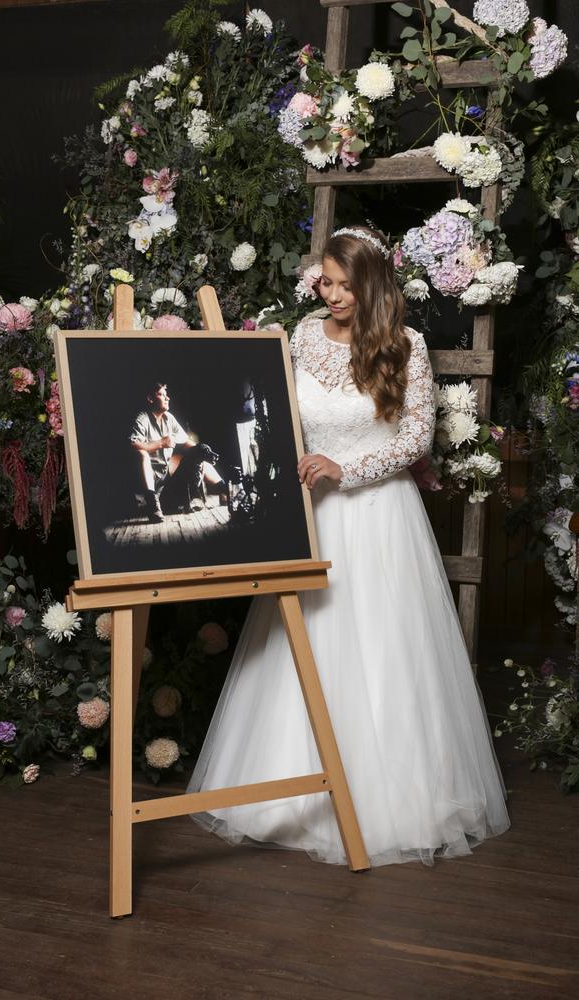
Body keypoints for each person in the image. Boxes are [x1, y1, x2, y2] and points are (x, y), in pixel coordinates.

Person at [187, 226, 510, 867]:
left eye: (341, 284)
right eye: (324, 281)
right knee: (298, 644)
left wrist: (348, 469)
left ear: (370, 284)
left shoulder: (405, 345)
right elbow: (274, 409)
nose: (328, 293)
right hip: (309, 515)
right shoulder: (304, 335)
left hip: (379, 518)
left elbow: (418, 435)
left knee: (383, 651)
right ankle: (285, 790)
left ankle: (387, 799)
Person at [130, 382, 225, 523]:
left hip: (166, 476)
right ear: (150, 399)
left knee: (197, 453)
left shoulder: (169, 418)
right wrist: (160, 443)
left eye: (166, 395)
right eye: (161, 394)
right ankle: (152, 504)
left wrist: (201, 453)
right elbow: (133, 444)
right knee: (142, 453)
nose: (167, 398)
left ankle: (225, 489)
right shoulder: (142, 419)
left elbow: (187, 442)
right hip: (152, 482)